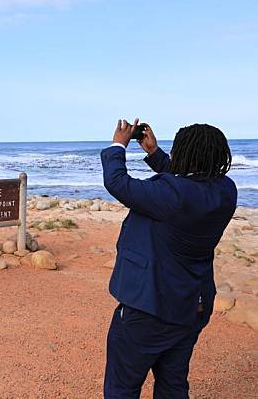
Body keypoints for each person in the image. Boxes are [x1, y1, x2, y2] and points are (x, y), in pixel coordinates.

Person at [101, 119, 237, 398]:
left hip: (149, 307)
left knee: (122, 386)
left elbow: (117, 182)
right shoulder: (226, 191)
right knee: (173, 385)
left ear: (184, 154)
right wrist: (153, 153)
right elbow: (189, 182)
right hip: (192, 305)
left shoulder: (171, 195)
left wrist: (119, 144)